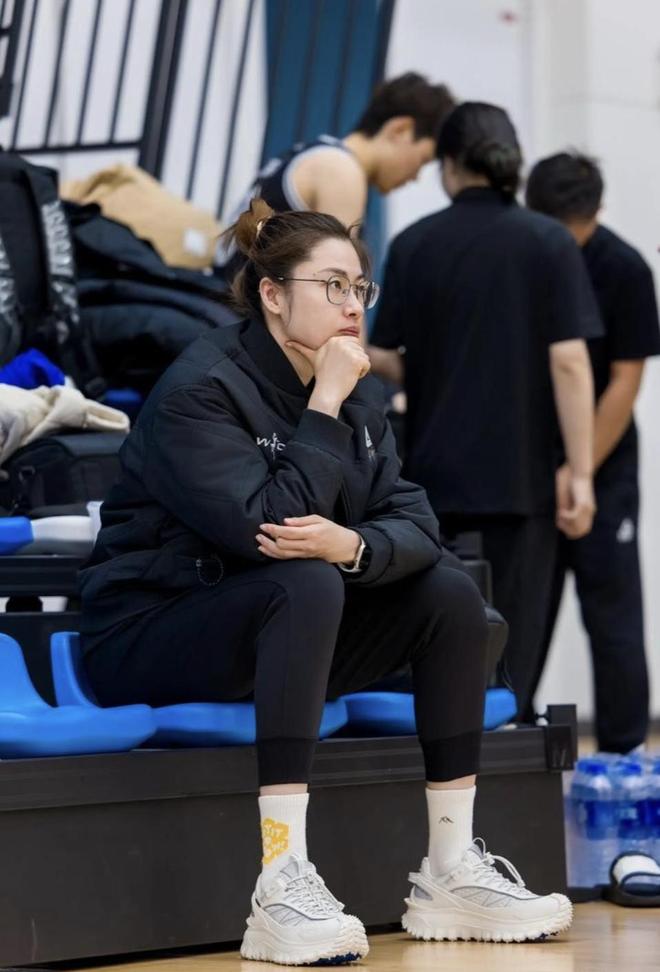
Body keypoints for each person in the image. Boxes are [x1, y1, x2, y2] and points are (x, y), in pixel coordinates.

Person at [79, 199, 572, 965]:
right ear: (273, 294)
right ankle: (282, 879)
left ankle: (450, 870)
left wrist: (355, 545)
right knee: (305, 581)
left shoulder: (358, 392)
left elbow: (417, 524)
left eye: (359, 288)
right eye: (333, 286)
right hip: (149, 631)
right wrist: (325, 405)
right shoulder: (202, 388)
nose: (352, 306)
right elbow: (270, 527)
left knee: (448, 595)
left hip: (277, 631)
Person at [368, 102, 603, 723]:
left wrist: (432, 368)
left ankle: (442, 765)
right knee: (515, 648)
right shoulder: (548, 241)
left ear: (449, 164)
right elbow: (570, 363)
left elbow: (381, 354)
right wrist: (581, 473)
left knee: (436, 634)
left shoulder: (414, 243)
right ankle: (510, 760)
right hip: (522, 480)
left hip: (433, 481)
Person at [525, 152, 660, 752]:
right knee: (520, 617)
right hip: (527, 464)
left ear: (597, 213)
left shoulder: (625, 269)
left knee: (615, 619)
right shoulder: (520, 259)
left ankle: (626, 756)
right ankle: (507, 749)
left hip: (604, 465)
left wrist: (579, 468)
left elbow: (625, 383)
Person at [217, 72, 455, 272]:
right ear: (400, 129)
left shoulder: (319, 152)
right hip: (239, 307)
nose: (416, 176)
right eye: (423, 160)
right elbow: (336, 289)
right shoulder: (341, 171)